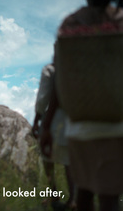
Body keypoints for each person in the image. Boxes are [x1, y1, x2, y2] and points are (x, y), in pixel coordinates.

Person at [39, 0, 123, 211]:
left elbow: (59, 78)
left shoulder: (70, 24)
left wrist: (46, 126)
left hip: (81, 124)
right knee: (109, 197)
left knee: (84, 193)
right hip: (117, 122)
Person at [33, 64, 76, 211]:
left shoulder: (50, 70)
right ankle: (72, 198)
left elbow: (43, 97)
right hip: (73, 120)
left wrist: (37, 117)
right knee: (68, 163)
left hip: (53, 121)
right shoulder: (76, 67)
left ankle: (54, 193)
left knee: (47, 160)